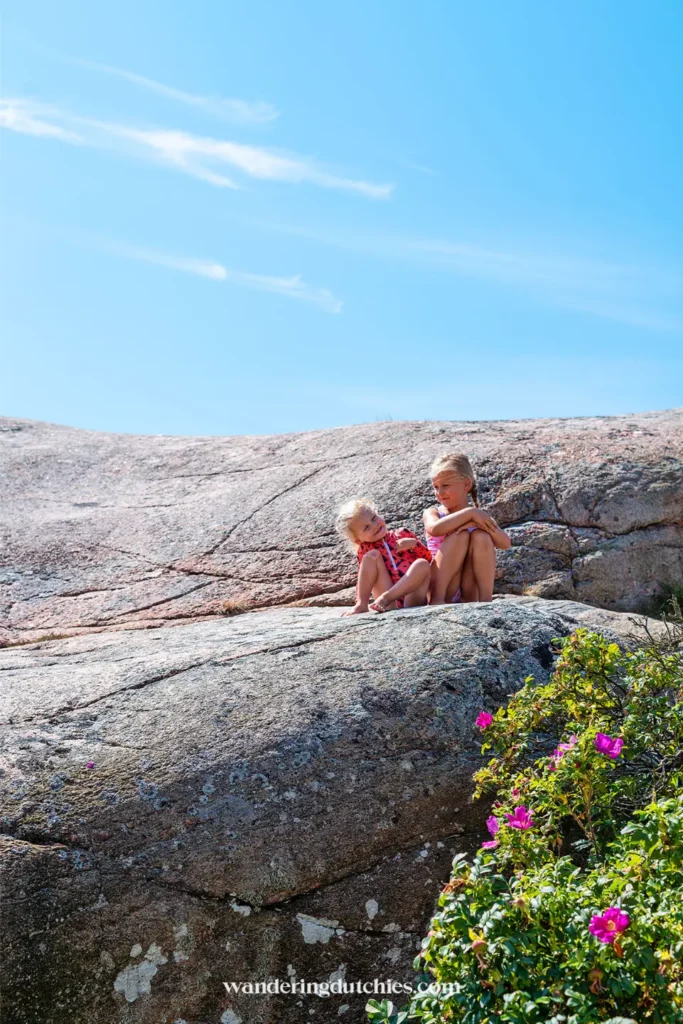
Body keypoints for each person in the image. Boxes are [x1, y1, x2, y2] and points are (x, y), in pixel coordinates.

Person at [424, 453, 510, 604]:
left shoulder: (478, 518)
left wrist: (477, 523)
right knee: (460, 537)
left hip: (468, 590)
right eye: (436, 487)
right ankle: (437, 599)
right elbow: (434, 529)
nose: (439, 493)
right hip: (442, 586)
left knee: (481, 536)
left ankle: (485, 600)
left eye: (445, 486)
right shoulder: (434, 512)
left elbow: (505, 543)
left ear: (466, 485)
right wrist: (469, 513)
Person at [336, 498, 432, 615]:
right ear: (357, 540)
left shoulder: (402, 534)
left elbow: (429, 559)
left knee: (422, 563)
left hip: (412, 598)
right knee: (372, 556)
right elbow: (365, 578)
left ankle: (387, 597)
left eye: (374, 518)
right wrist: (360, 600)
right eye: (366, 528)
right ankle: (361, 605)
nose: (374, 525)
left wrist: (415, 545)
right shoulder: (366, 550)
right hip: (388, 604)